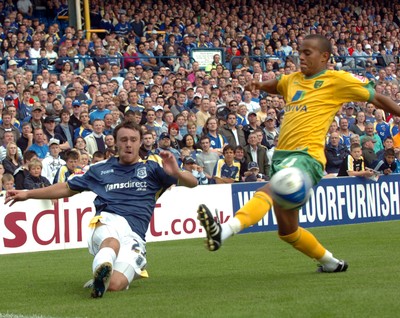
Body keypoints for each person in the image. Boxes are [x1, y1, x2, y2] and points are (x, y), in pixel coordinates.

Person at [197, 34, 400, 273]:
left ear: (325, 57)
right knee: (288, 231)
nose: (301, 57)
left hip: (307, 156)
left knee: (271, 189)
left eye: (307, 53)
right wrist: (261, 86)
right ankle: (331, 263)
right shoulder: (293, 80)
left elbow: (377, 98)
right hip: (283, 157)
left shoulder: (337, 80)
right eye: (300, 52)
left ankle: (225, 230)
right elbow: (278, 84)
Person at [5, 121, 197, 298]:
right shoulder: (100, 169)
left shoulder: (152, 169)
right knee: (111, 241)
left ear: (140, 143)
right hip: (107, 221)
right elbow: (66, 187)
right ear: (116, 143)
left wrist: (177, 172)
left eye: (133, 140)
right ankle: (103, 268)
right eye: (123, 140)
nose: (128, 144)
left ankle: (102, 278)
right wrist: (28, 194)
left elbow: (193, 183)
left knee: (115, 284)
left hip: (135, 235)